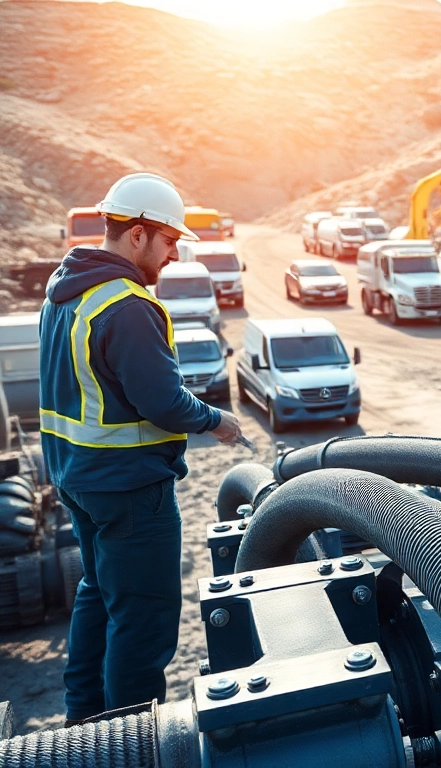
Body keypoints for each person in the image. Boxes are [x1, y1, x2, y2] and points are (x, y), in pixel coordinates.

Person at [38, 172, 246, 723]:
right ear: (137, 235)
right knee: (143, 621)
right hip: (129, 488)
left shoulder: (65, 289)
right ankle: (129, 737)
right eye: (169, 240)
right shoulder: (127, 305)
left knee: (99, 592)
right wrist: (217, 420)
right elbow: (163, 402)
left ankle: (84, 722)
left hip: (77, 478)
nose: (174, 254)